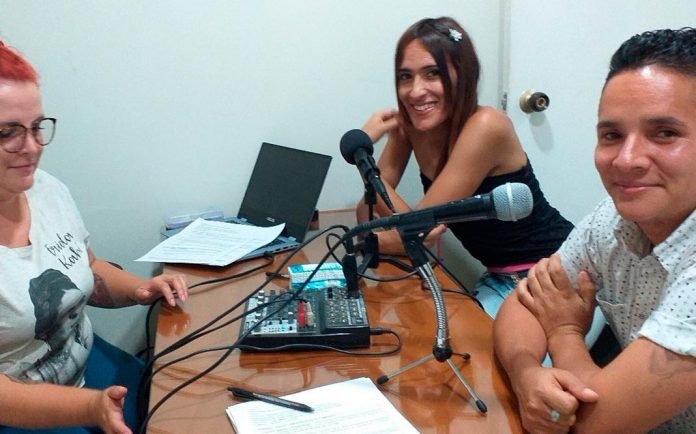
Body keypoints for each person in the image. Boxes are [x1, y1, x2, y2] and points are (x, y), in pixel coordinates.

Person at [493, 27, 696, 433]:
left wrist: (564, 332)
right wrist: (527, 373)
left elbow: (596, 424)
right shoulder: (615, 218)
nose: (627, 159)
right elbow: (525, 303)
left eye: (665, 133)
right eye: (612, 135)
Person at [0, 41, 189, 433]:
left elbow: (87, 267)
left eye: (37, 127)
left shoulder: (45, 189)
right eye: (7, 133)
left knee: (188, 397)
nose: (31, 148)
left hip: (90, 370)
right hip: (26, 415)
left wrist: (141, 289)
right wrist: (90, 408)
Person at [356, 16, 574, 318]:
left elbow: (415, 232)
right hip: (498, 278)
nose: (415, 91)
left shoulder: (487, 126)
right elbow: (368, 213)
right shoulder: (412, 127)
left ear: (464, 74)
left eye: (432, 73)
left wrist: (361, 157)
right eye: (405, 76)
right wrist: (374, 234)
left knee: (458, 342)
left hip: (554, 274)